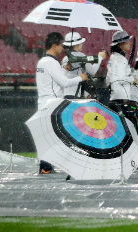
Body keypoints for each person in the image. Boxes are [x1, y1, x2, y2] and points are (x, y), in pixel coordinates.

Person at [35, 31, 88, 174]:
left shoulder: (43, 62)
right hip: (52, 103)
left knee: (49, 137)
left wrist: (63, 70)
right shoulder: (51, 62)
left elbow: (55, 79)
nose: (62, 49)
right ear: (54, 46)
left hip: (44, 102)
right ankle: (47, 167)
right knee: (59, 136)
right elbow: (64, 83)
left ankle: (45, 167)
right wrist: (80, 78)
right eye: (60, 45)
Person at [106, 31, 138, 129]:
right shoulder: (121, 59)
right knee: (128, 129)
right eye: (127, 41)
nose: (129, 44)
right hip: (122, 100)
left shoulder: (113, 58)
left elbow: (108, 81)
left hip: (114, 98)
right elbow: (120, 79)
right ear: (121, 44)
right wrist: (132, 79)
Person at [60, 32, 105, 99]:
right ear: (76, 45)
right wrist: (100, 58)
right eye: (80, 43)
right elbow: (92, 71)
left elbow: (72, 77)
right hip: (75, 95)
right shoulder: (80, 56)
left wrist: (86, 94)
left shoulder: (65, 58)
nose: (82, 45)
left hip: (65, 94)